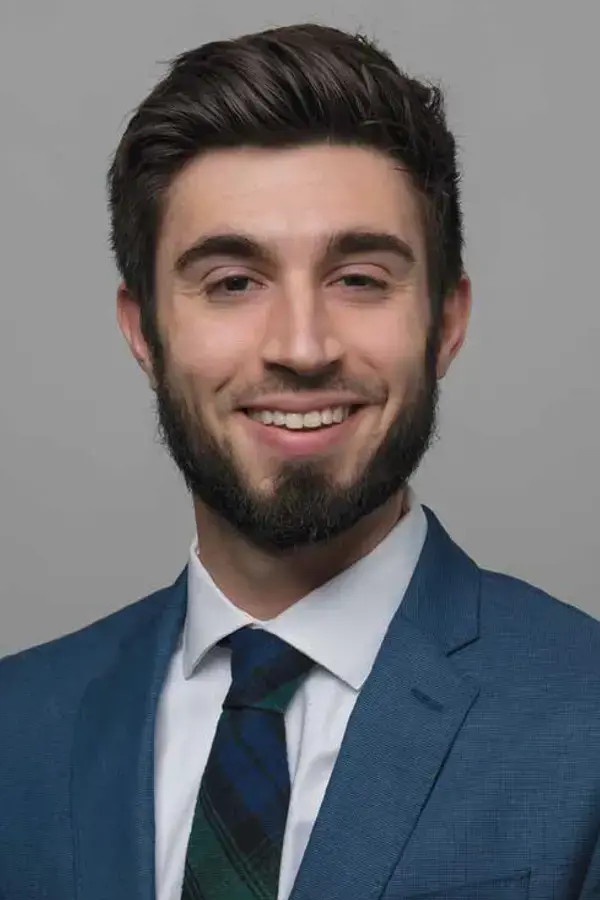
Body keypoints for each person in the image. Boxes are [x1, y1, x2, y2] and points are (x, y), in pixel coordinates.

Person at [1, 21, 600, 900]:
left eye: (359, 278)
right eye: (232, 282)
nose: (302, 346)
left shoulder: (585, 721)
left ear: (446, 321)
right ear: (144, 332)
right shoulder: (16, 727)